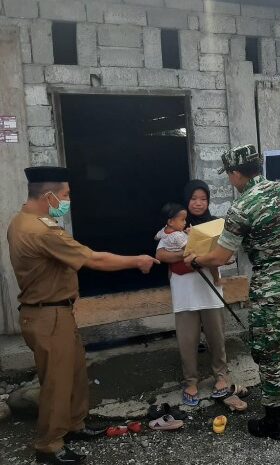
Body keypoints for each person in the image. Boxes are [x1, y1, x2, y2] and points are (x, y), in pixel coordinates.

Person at [6, 167, 159, 465]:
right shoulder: (40, 230)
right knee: (57, 383)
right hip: (48, 316)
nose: (68, 200)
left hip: (54, 313)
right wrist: (137, 260)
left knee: (74, 374)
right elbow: (94, 259)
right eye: (65, 195)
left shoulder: (21, 221)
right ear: (48, 195)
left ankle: (74, 425)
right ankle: (49, 445)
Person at [184, 144, 280, 441]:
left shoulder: (242, 207)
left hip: (273, 288)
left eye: (229, 175)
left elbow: (220, 257)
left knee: (269, 352)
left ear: (235, 173)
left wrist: (196, 259)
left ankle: (276, 422)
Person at [155, 184, 246, 410]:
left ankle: (221, 376)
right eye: (194, 198)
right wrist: (185, 254)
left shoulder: (216, 224)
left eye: (203, 198)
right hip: (184, 290)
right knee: (187, 340)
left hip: (210, 290)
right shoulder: (175, 226)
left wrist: (207, 258)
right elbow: (160, 254)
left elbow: (228, 255)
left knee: (217, 336)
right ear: (186, 201)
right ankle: (191, 382)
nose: (198, 202)